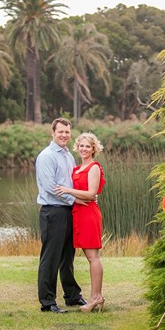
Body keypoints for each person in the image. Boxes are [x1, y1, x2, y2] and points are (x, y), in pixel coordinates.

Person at [35, 118, 86, 313]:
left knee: (67, 256)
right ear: (52, 133)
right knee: (51, 257)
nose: (64, 135)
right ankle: (47, 302)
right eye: (60, 132)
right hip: (53, 211)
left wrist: (85, 196)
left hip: (68, 211)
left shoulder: (68, 156)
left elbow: (71, 183)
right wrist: (74, 200)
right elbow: (50, 187)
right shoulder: (46, 156)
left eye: (67, 132)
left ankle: (72, 296)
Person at [55, 132, 106, 313]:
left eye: (88, 146)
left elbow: (91, 194)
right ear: (78, 147)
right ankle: (96, 297)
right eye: (82, 146)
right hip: (78, 213)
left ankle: (96, 297)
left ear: (94, 149)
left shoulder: (93, 167)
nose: (84, 149)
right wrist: (73, 196)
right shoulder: (77, 168)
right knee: (89, 257)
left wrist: (68, 190)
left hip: (89, 214)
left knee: (93, 257)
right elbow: (80, 193)